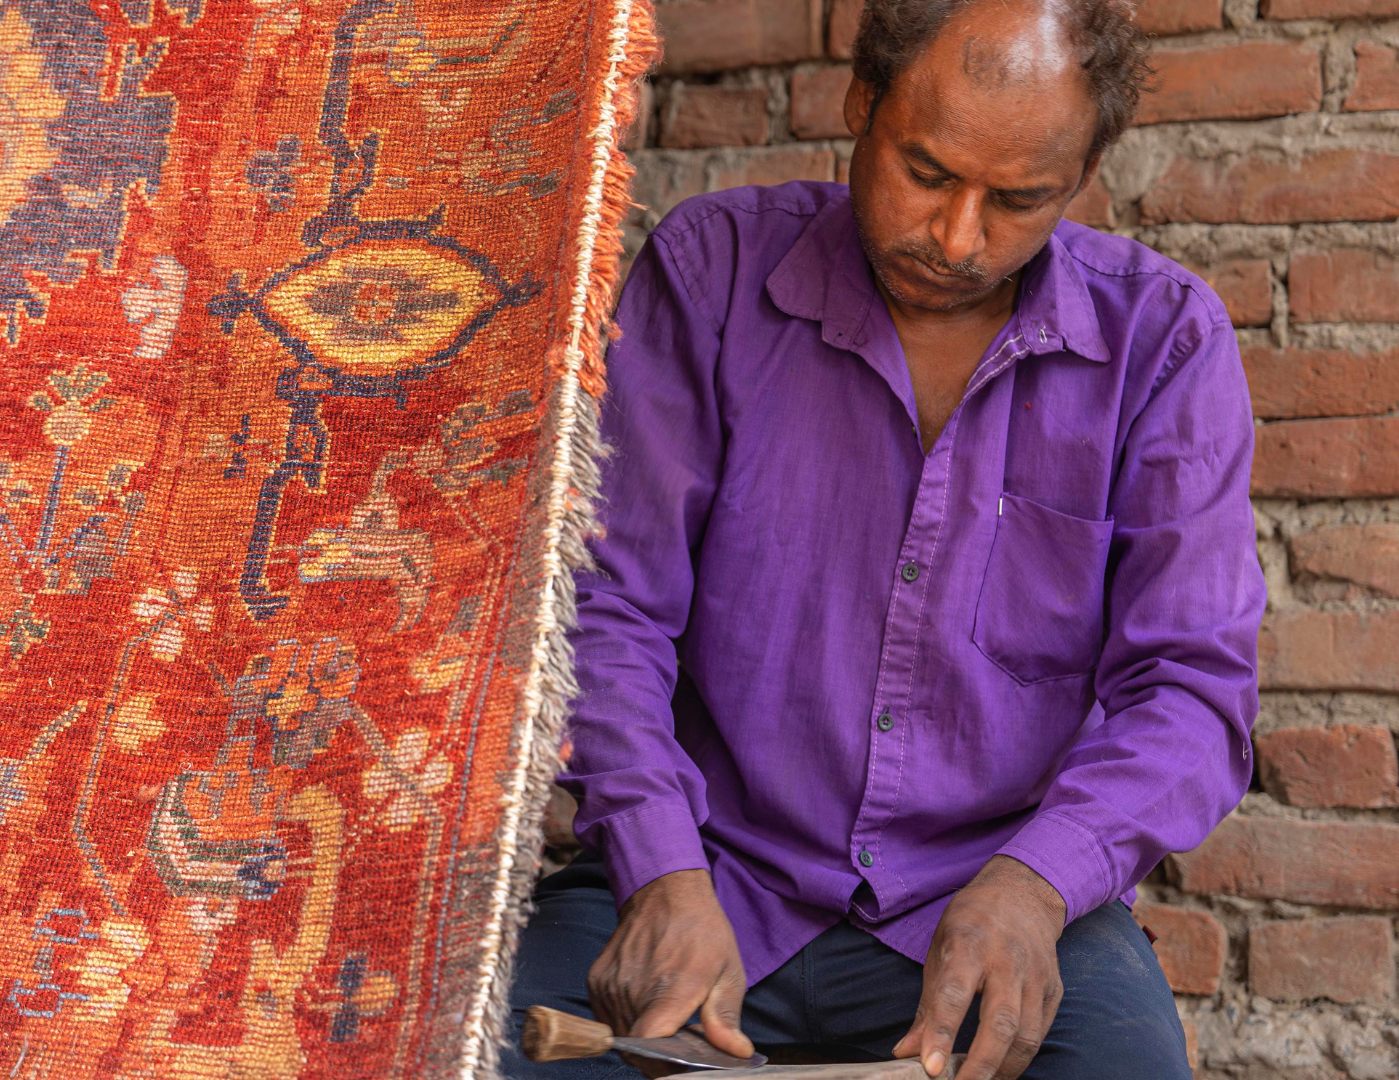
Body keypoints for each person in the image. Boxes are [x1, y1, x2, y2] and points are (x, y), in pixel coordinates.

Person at [504, 0, 1264, 1078]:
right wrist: (663, 868)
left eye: (1018, 200)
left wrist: (1034, 885)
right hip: (706, 877)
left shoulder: (1164, 344)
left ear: (1087, 174)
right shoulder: (712, 274)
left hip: (993, 893)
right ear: (861, 101)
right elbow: (608, 608)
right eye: (925, 172)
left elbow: (1191, 688)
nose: (958, 238)